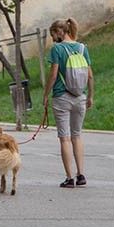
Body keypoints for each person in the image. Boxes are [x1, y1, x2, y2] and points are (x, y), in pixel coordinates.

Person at [42, 18, 94, 188]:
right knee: (77, 136)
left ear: (59, 32)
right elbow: (90, 75)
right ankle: (81, 174)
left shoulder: (57, 49)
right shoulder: (82, 48)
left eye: (53, 35)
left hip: (61, 96)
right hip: (80, 96)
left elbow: (54, 74)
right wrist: (90, 95)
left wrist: (46, 94)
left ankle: (69, 177)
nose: (53, 38)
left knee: (64, 138)